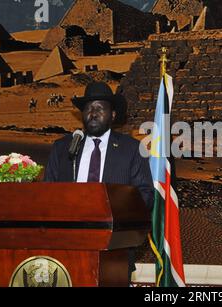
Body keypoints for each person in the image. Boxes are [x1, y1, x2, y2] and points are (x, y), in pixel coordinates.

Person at [44, 81, 154, 283]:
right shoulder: (63, 148)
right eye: (88, 108)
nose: (93, 113)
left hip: (114, 252)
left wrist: (118, 213)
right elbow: (47, 193)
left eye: (100, 108)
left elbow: (145, 195)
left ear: (112, 115)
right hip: (65, 250)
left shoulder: (131, 149)